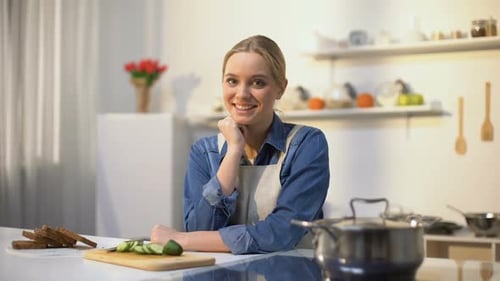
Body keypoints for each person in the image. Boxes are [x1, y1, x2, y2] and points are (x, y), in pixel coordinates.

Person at [150, 35, 330, 254]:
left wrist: (183, 240)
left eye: (258, 82)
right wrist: (233, 152)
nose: (242, 94)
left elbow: (281, 234)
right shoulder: (204, 151)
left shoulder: (306, 144)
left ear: (280, 88)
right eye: (232, 81)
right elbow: (200, 228)